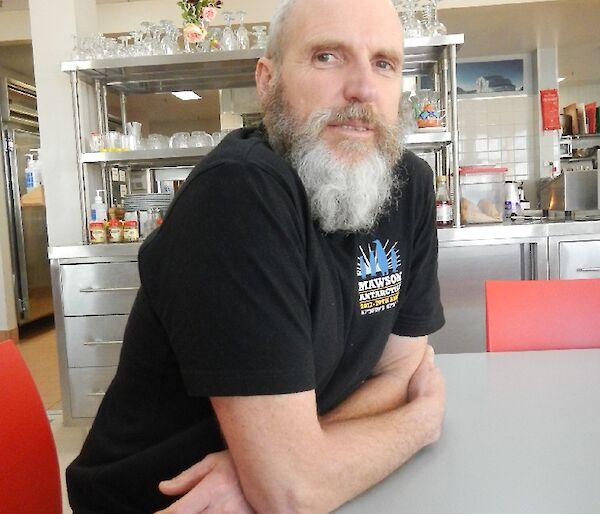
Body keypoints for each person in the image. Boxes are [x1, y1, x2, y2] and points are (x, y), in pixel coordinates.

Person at [66, 0, 446, 512]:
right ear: (267, 82)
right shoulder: (240, 193)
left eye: (383, 63)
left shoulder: (410, 185)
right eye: (328, 57)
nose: (361, 88)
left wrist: (272, 463)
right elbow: (294, 493)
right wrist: (421, 423)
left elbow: (400, 373)